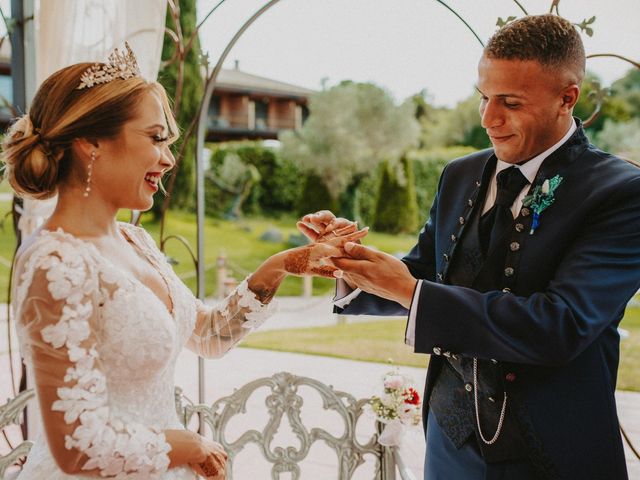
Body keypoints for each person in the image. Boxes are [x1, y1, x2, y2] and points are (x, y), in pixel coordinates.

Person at [299, 14, 640, 480]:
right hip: (448, 444)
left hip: (553, 455)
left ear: (567, 98)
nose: (488, 119)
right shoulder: (459, 173)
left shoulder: (622, 193)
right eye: (483, 97)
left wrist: (410, 291)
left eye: (510, 102)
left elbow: (562, 325)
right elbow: (423, 272)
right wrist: (349, 261)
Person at [3, 44, 364, 479]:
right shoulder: (55, 261)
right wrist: (186, 445)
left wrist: (282, 265)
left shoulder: (135, 241)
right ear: (91, 141)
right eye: (155, 138)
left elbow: (211, 336)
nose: (169, 159)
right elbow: (76, 446)